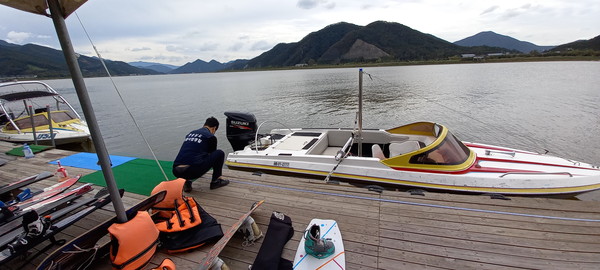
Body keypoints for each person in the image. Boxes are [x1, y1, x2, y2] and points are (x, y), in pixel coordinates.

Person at [173, 117, 229, 192]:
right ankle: (216, 181)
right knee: (219, 153)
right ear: (214, 128)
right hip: (192, 171)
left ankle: (187, 182)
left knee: (191, 156)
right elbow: (212, 156)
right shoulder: (210, 137)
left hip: (176, 171)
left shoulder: (191, 133)